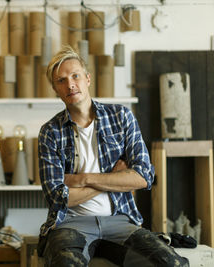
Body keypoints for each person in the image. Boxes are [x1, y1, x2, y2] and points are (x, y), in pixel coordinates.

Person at [37, 46, 188, 266]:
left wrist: (83, 179)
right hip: (71, 223)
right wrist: (113, 178)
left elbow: (143, 177)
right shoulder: (50, 132)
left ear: (87, 79)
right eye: (61, 80)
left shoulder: (121, 117)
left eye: (75, 76)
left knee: (173, 264)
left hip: (120, 221)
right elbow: (59, 198)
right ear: (55, 89)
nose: (70, 84)